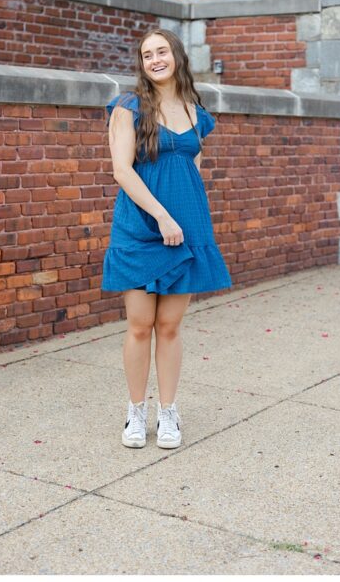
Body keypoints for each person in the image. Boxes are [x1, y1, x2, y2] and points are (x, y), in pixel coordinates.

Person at [101, 28, 231, 450]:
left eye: (161, 51)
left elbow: (191, 163)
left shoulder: (196, 111)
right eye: (146, 54)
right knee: (140, 326)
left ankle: (168, 413)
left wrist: (183, 218)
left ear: (176, 55)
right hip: (142, 226)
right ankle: (136, 413)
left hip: (187, 227)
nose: (154, 59)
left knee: (170, 327)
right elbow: (122, 170)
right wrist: (161, 216)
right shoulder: (128, 107)